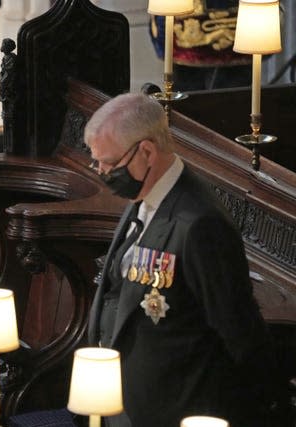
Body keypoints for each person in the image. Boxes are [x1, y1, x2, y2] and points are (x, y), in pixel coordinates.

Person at [84, 93, 277, 427]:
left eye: (109, 164)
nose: (102, 172)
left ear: (146, 151)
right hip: (125, 406)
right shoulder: (145, 198)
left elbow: (238, 331)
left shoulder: (201, 224)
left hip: (176, 411)